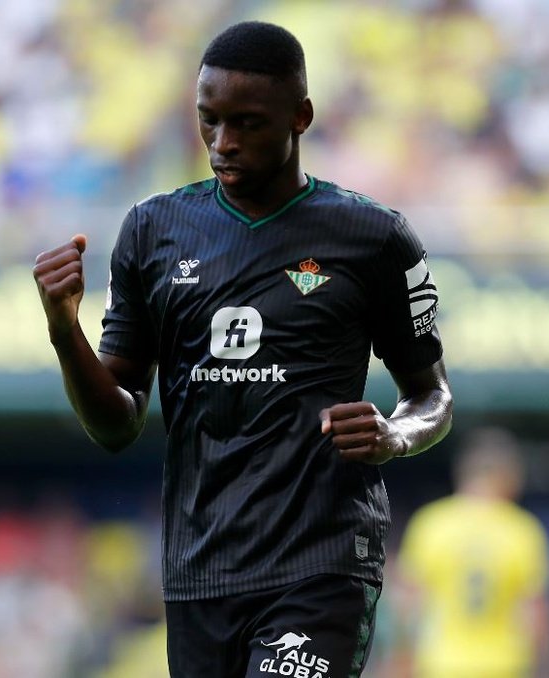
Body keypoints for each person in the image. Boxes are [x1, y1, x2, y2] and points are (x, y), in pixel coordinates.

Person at [33, 20, 453, 677]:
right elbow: (114, 421)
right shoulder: (152, 231)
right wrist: (65, 333)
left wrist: (394, 435)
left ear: (301, 116)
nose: (222, 144)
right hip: (202, 569)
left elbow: (432, 396)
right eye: (208, 121)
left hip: (322, 563)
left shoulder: (373, 239)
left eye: (248, 124)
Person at [399, 427, 549, 678]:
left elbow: (408, 609)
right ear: (507, 475)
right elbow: (536, 616)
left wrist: (402, 666)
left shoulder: (431, 523)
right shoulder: (522, 529)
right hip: (505, 665)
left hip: (441, 664)